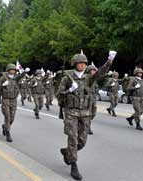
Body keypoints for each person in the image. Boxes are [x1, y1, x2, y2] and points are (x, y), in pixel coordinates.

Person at [58, 52, 115, 180]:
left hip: (85, 113)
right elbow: (59, 95)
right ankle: (73, 165)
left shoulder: (89, 77)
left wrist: (109, 62)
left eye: (84, 63)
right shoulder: (67, 78)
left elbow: (100, 73)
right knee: (73, 138)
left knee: (82, 142)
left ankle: (67, 152)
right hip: (71, 113)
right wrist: (70, 90)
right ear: (75, 64)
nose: (82, 65)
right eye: (80, 63)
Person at [0, 64, 30, 142]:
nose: (13, 71)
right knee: (7, 117)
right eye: (11, 70)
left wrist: (25, 72)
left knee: (12, 118)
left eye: (14, 70)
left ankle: (5, 126)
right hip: (6, 100)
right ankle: (8, 133)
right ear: (8, 70)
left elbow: (21, 76)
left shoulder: (16, 79)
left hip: (13, 100)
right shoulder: (3, 78)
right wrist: (2, 85)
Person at [87, 65, 99, 135]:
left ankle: (85, 123)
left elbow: (96, 87)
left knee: (93, 113)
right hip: (87, 99)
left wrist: (97, 90)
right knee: (88, 114)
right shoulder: (86, 78)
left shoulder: (95, 80)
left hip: (93, 99)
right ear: (89, 71)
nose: (94, 71)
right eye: (92, 70)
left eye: (94, 70)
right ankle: (87, 127)